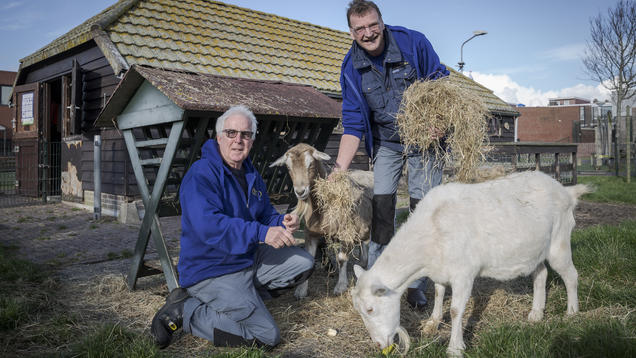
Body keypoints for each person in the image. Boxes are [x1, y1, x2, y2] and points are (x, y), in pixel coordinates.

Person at [151, 105, 314, 349]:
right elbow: (210, 227)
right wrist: (262, 233)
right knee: (267, 338)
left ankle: (241, 301)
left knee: (303, 264)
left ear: (252, 139)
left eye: (245, 135)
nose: (238, 140)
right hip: (212, 268)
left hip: (245, 258)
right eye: (231, 133)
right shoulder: (201, 175)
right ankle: (187, 311)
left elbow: (265, 215)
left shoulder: (250, 173)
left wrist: (282, 222)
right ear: (218, 137)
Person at [333, 0, 449, 310]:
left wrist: (439, 121)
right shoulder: (351, 68)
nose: (368, 33)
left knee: (422, 211)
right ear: (351, 32)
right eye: (360, 29)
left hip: (425, 141)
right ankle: (377, 280)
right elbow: (354, 124)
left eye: (373, 25)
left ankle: (416, 285)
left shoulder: (413, 44)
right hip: (387, 143)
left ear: (382, 22)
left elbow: (440, 86)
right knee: (382, 210)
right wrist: (339, 169)